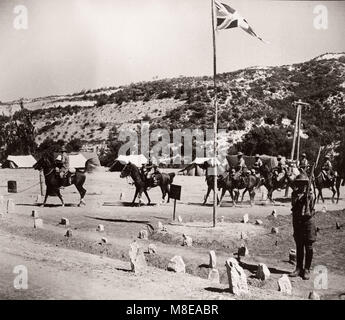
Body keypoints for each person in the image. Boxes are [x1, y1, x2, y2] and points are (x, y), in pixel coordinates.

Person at [289, 174, 317, 280]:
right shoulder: (294, 194)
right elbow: (294, 205)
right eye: (299, 183)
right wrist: (302, 198)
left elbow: (311, 208)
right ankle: (298, 268)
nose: (301, 185)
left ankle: (307, 269)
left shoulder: (311, 194)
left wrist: (308, 197)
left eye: (303, 183)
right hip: (297, 222)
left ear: (306, 184)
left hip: (308, 223)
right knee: (299, 246)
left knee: (309, 247)